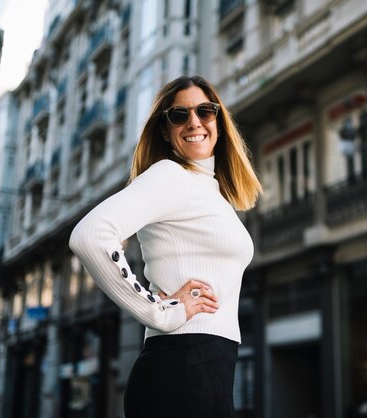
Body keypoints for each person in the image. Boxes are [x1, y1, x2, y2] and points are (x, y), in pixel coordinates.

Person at [69, 75, 261, 418]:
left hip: (210, 369)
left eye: (205, 110)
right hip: (182, 366)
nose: (194, 122)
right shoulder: (169, 176)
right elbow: (89, 236)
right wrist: (159, 311)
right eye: (179, 115)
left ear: (218, 120)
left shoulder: (211, 191)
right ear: (165, 129)